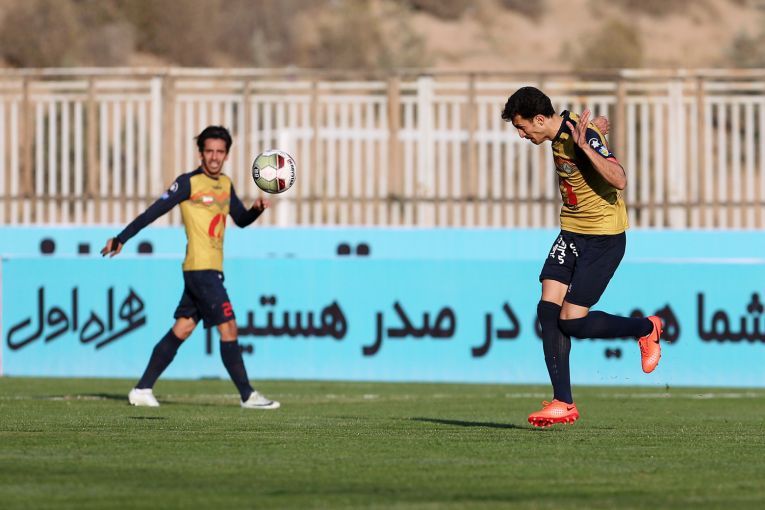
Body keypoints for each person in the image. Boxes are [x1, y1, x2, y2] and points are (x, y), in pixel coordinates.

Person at [501, 86, 662, 427]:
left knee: (572, 321)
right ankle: (563, 402)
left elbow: (620, 179)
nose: (521, 135)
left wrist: (589, 145)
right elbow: (582, 128)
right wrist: (596, 131)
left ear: (539, 119)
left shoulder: (580, 137)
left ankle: (646, 328)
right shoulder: (565, 129)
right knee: (547, 309)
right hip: (571, 232)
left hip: (603, 238)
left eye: (522, 127)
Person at [101, 125, 280, 410]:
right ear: (200, 153)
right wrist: (121, 238)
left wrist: (256, 209)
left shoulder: (226, 184)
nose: (214, 157)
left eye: (219, 152)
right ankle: (247, 395)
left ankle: (142, 388)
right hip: (201, 269)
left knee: (182, 329)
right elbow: (153, 212)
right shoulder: (188, 183)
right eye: (209, 151)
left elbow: (241, 220)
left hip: (212, 269)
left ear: (227, 155)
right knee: (229, 328)